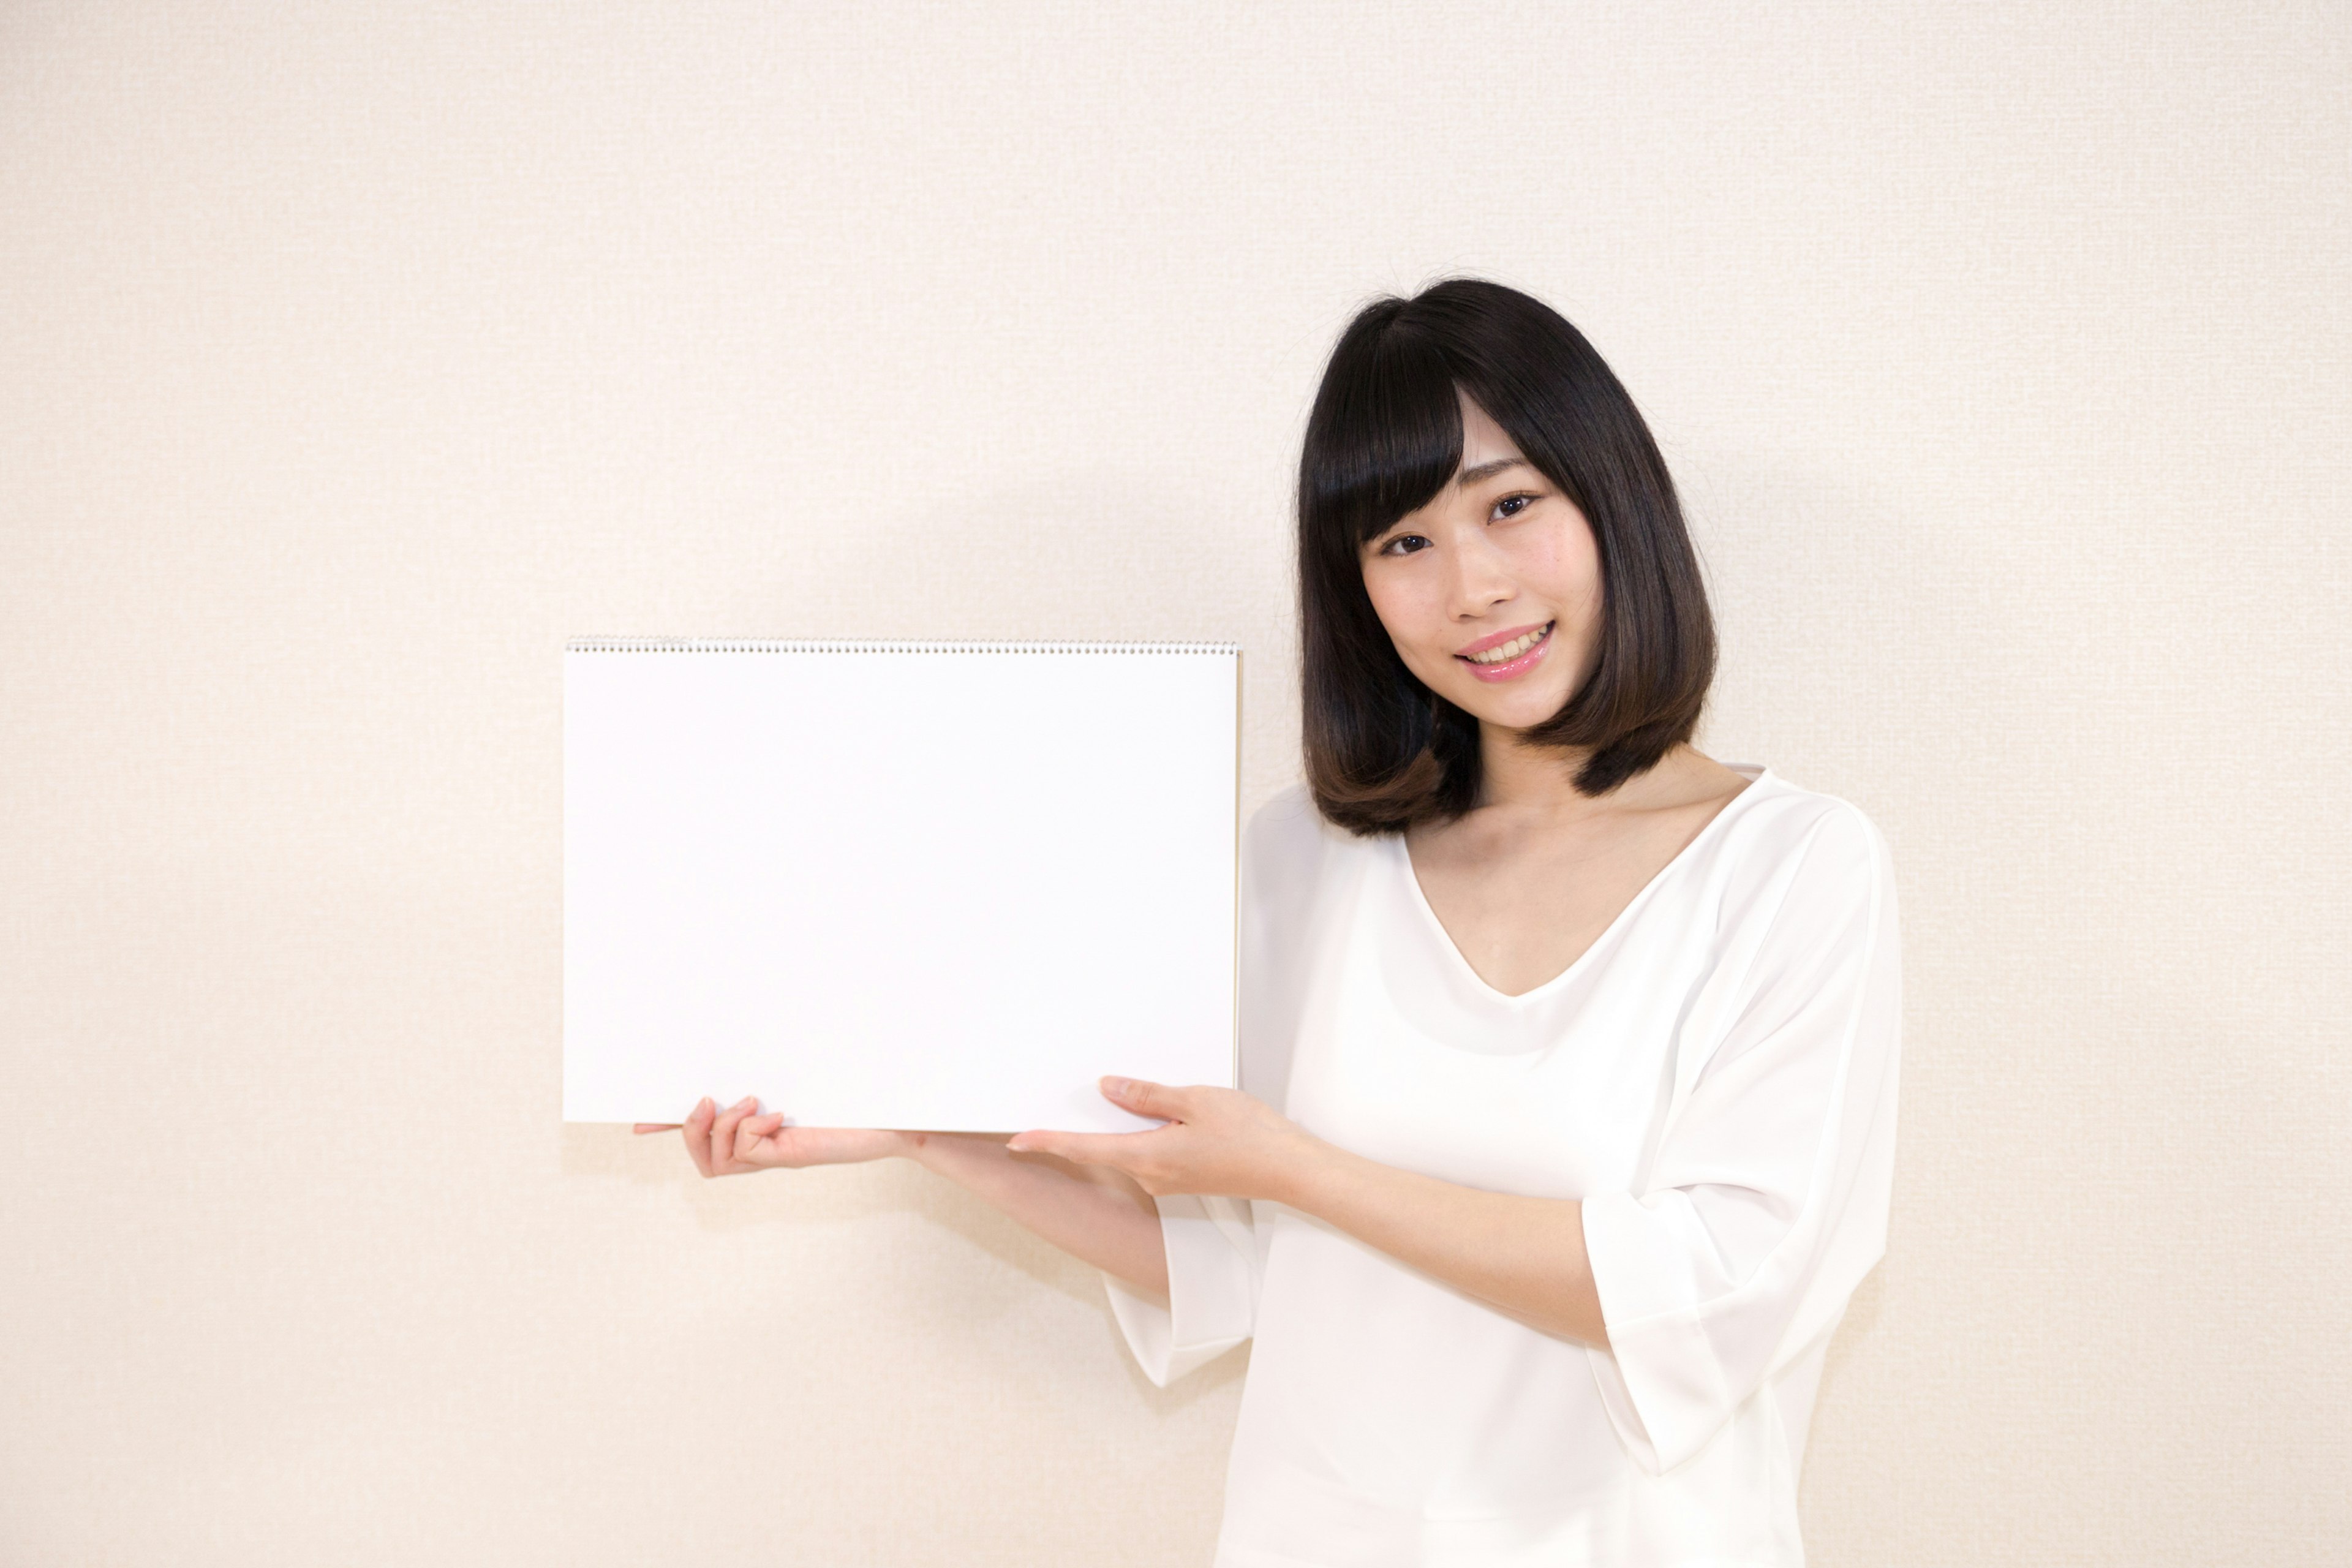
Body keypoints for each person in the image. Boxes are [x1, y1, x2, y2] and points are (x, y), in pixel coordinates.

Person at [638, 277, 1902, 1566]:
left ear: (1615, 500)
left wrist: (1295, 1165)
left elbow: (1713, 1289)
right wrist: (925, 1120)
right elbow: (1222, 1265)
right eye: (1402, 542)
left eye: (1511, 504)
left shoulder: (1792, 866)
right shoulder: (1306, 854)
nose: (1472, 586)